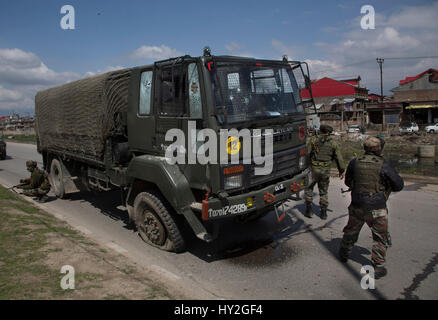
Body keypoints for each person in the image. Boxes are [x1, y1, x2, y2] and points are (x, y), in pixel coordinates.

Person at [339, 136, 404, 279]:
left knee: (351, 230)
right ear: (379, 149)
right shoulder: (384, 164)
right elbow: (398, 185)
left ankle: (344, 253)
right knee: (380, 236)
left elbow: (348, 181)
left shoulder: (355, 162)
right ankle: (378, 266)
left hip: (357, 203)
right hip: (377, 206)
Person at [304, 125, 345, 219]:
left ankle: (309, 210)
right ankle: (323, 212)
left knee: (309, 188)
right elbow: (339, 158)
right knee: (323, 191)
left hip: (313, 169)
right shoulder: (333, 143)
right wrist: (341, 170)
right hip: (325, 170)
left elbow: (307, 153)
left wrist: (305, 166)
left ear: (320, 131)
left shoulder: (313, 140)